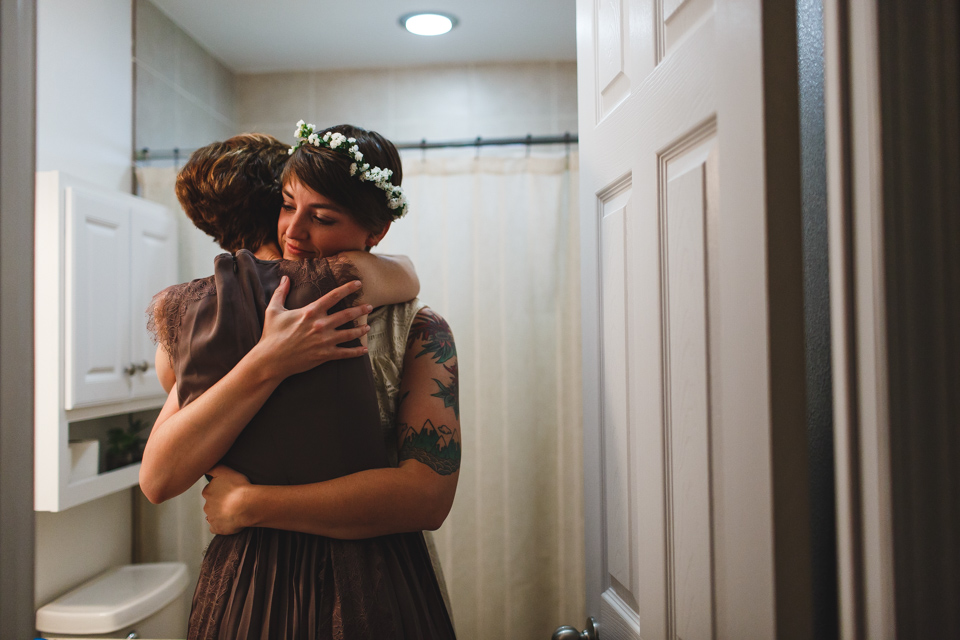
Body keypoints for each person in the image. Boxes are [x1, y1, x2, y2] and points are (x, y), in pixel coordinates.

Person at [142, 126, 459, 639]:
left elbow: (427, 498)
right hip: (255, 579)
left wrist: (249, 504)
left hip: (355, 576)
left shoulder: (415, 329)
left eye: (324, 218)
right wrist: (268, 359)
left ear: (375, 232)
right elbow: (158, 476)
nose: (293, 232)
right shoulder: (226, 323)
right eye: (287, 206)